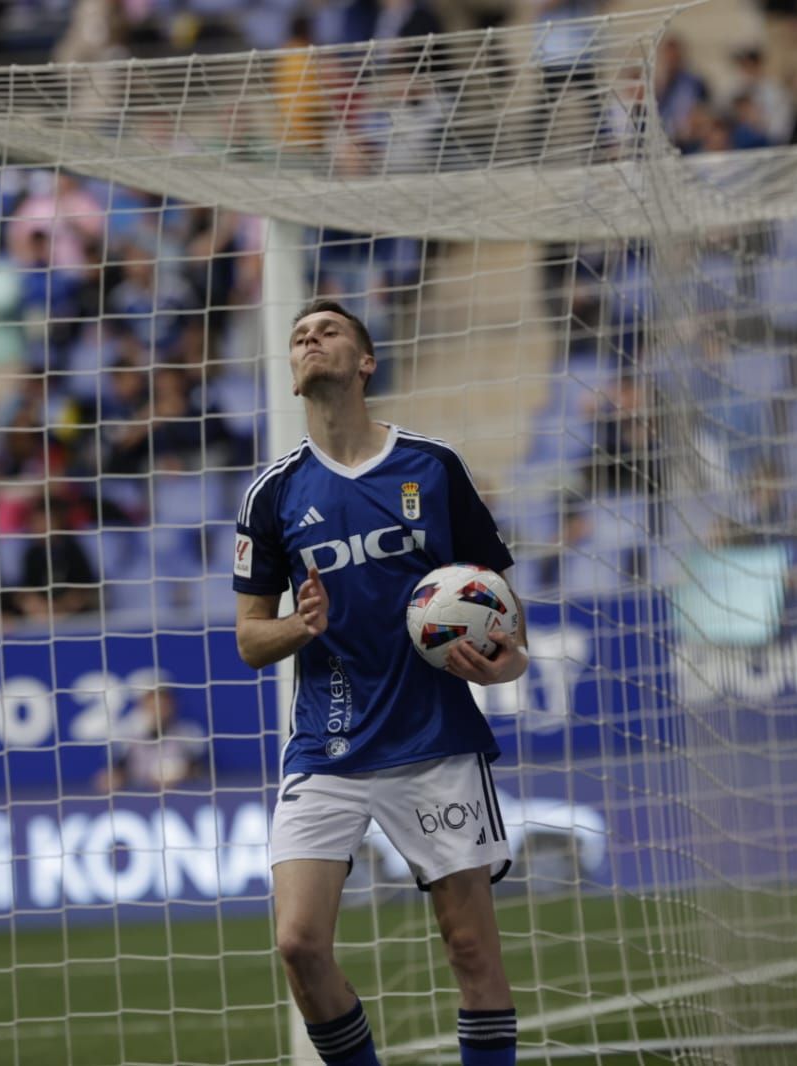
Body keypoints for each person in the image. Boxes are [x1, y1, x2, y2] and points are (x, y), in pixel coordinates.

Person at [234, 299, 525, 1065]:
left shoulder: (431, 466)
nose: (309, 340)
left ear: (364, 361)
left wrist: (511, 661)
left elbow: (499, 606)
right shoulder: (273, 494)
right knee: (298, 945)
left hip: (433, 739)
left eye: (327, 331)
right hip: (326, 746)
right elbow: (248, 639)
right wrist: (300, 627)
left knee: (470, 951)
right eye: (299, 336)